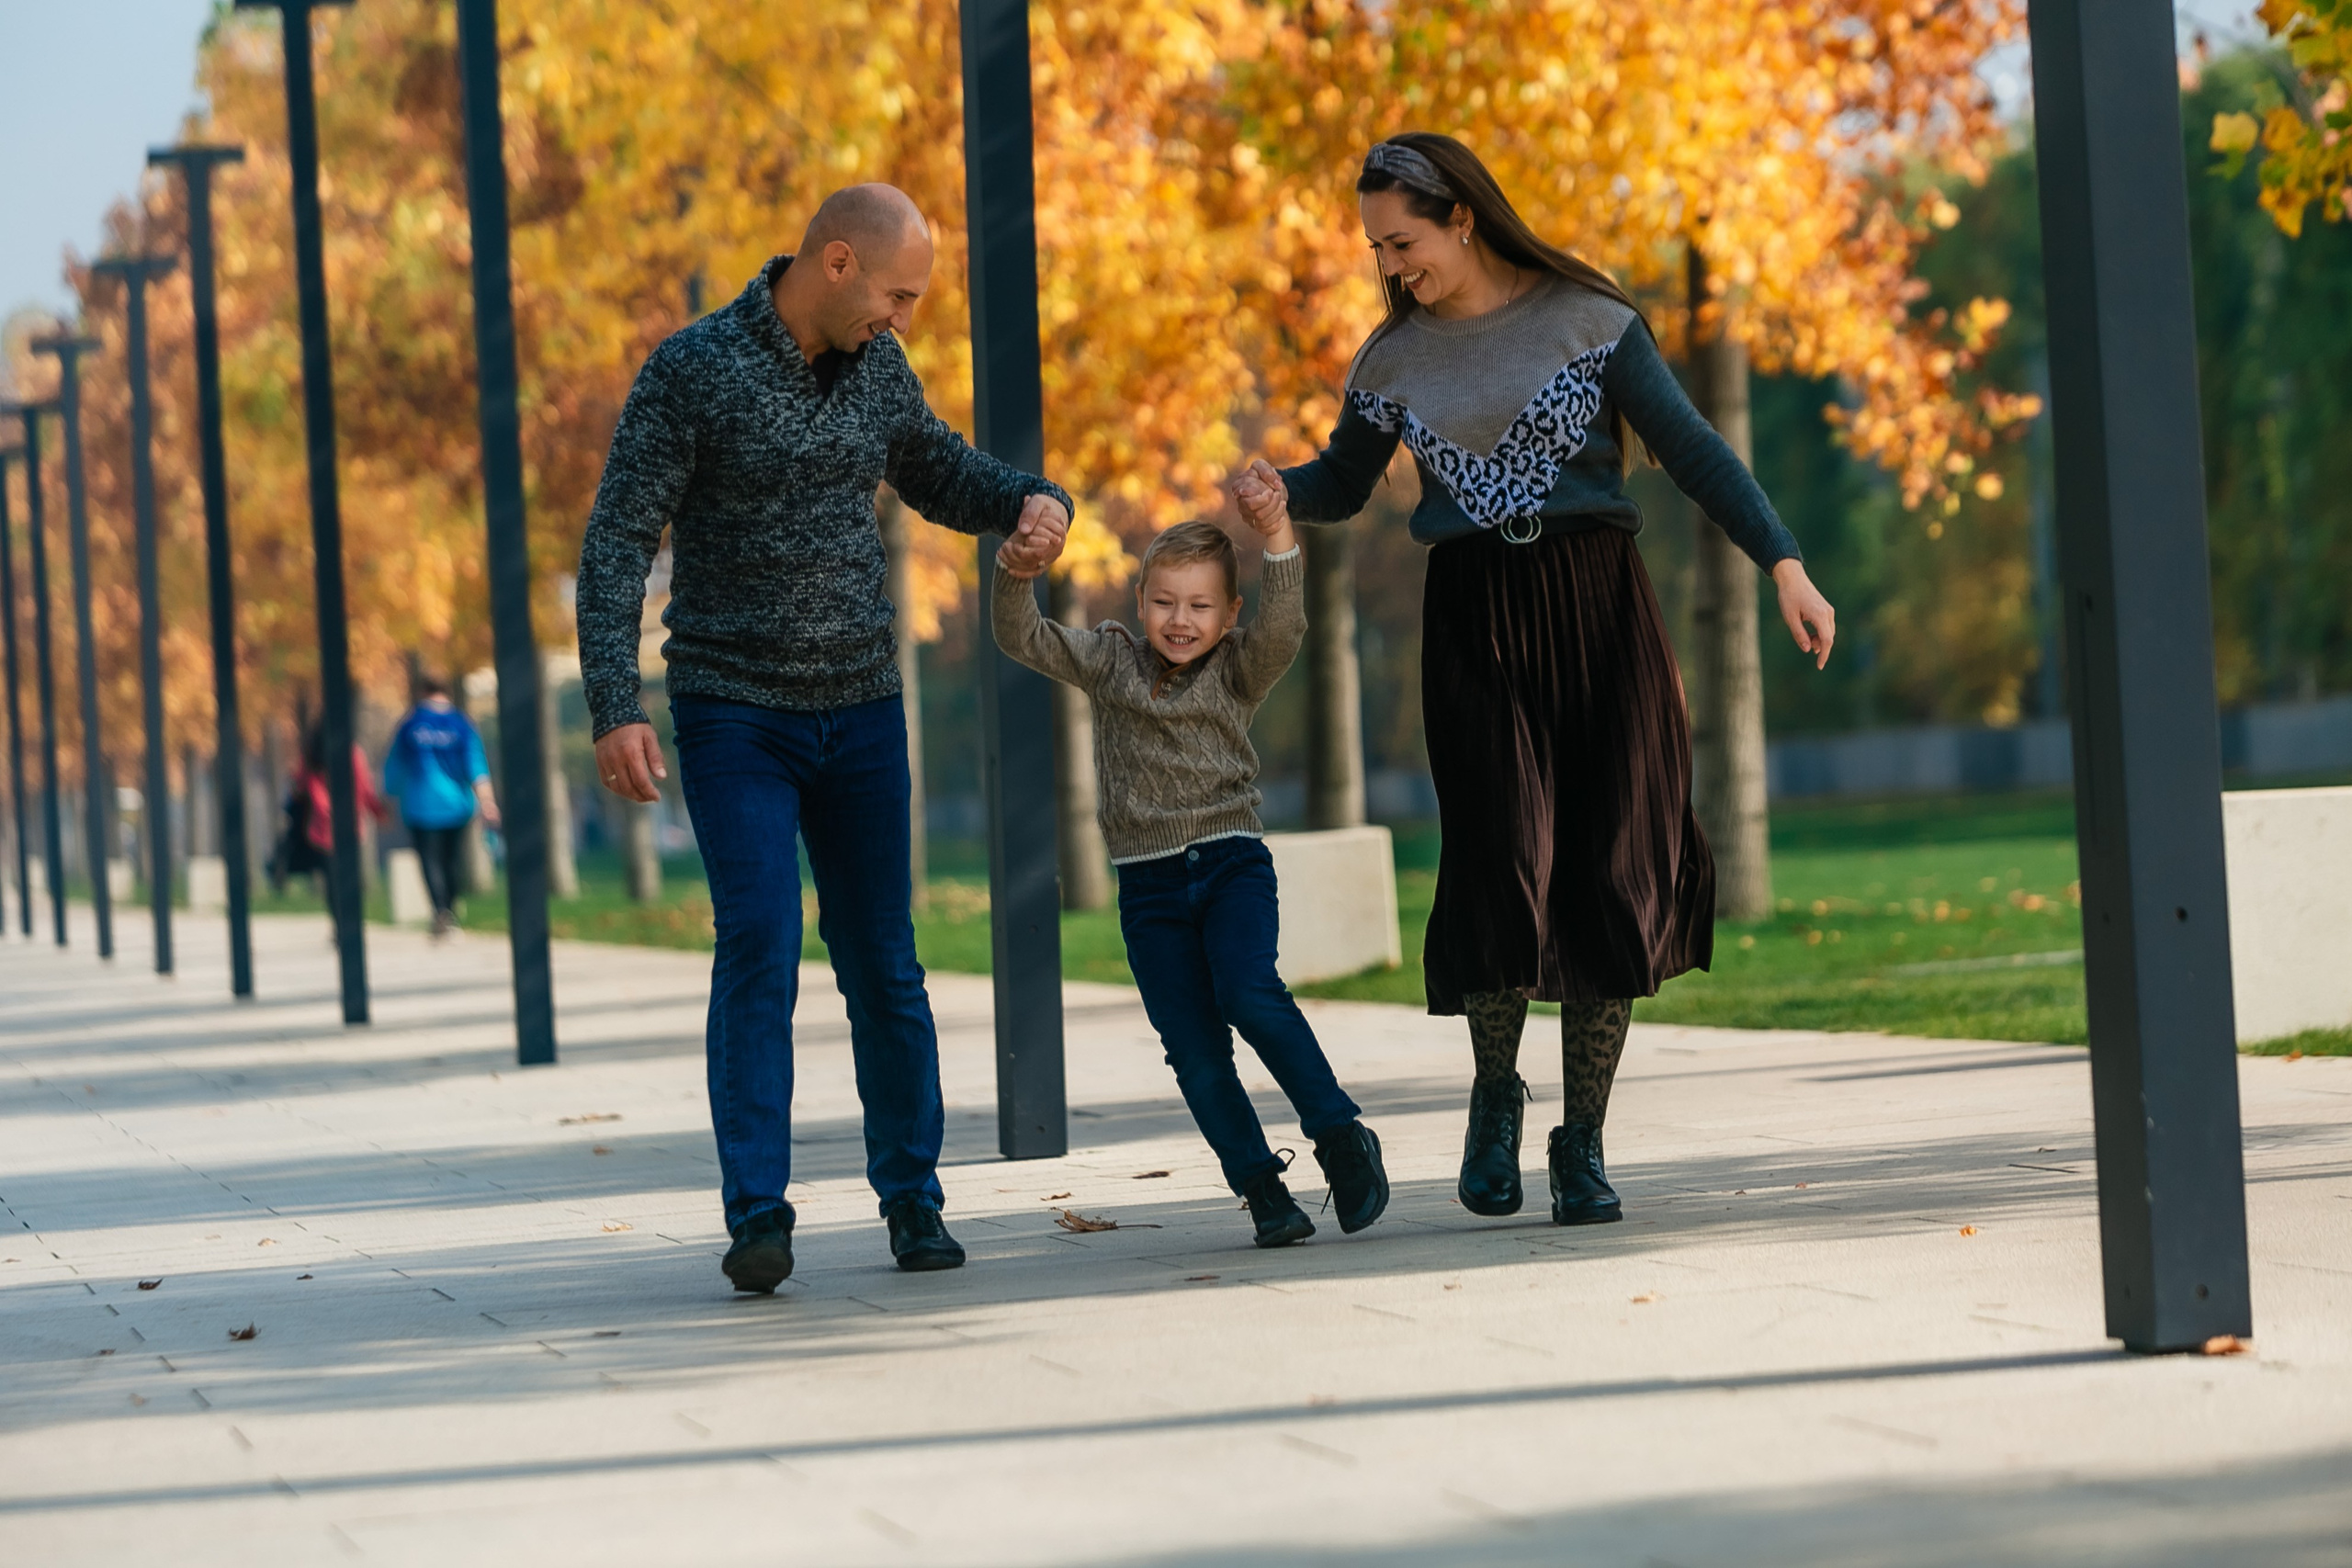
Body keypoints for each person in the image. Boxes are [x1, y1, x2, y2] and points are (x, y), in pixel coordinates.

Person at [1234, 133, 1837, 1229]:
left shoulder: (1588, 322)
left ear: (1462, 217)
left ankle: (1582, 1143)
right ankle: (1496, 1093)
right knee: (1503, 856)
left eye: (1403, 241)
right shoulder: (1392, 360)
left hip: (1602, 612)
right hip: (1476, 619)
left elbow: (1695, 450)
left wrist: (1784, 564)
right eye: (1376, 247)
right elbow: (1343, 480)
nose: (1391, 266)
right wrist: (1281, 492)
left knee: (1611, 868)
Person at [575, 184, 1073, 1293]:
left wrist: (1031, 501)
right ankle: (757, 1212)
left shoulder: (879, 370)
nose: (904, 316)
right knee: (758, 944)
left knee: (882, 962)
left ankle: (913, 1201)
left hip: (859, 708)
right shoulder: (693, 369)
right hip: (732, 709)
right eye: (897, 294)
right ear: (836, 262)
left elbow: (942, 470)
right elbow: (617, 539)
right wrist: (615, 703)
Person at [991, 500, 1392, 1248]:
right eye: (1166, 602)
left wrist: (1277, 535)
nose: (1182, 620)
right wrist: (1016, 574)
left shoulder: (1240, 666)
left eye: (1201, 605)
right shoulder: (1113, 661)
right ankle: (1261, 1186)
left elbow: (1285, 627)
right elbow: (1024, 636)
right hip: (1150, 888)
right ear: (1140, 602)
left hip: (1233, 861)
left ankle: (1339, 1134)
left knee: (1248, 990)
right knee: (1196, 1050)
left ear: (1228, 611)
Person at [382, 676, 500, 936]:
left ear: (423, 691)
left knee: (429, 860)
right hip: (456, 804)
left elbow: (395, 765)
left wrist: (387, 799)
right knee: (452, 859)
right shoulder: (461, 724)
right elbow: (475, 764)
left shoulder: (410, 724)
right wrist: (487, 800)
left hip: (419, 805)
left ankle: (441, 911)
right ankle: (450, 908)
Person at [290, 721, 389, 945]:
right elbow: (364, 786)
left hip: (320, 826)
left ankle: (339, 924)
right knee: (348, 878)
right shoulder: (352, 752)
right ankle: (351, 923)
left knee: (332, 881)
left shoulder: (312, 755)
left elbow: (300, 785)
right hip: (349, 824)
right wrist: (377, 811)